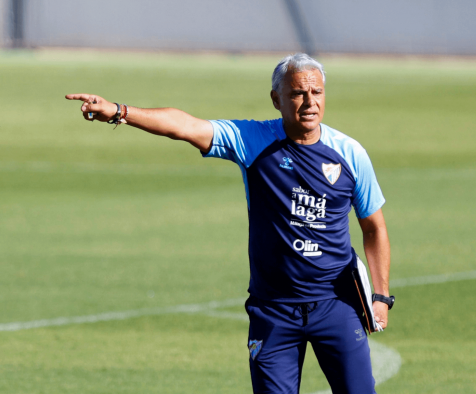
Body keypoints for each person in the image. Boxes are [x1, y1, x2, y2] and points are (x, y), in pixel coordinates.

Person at [66, 53, 392, 394]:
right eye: (297, 93)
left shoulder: (350, 153)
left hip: (336, 305)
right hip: (274, 310)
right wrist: (120, 112)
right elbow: (185, 126)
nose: (309, 102)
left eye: (317, 93)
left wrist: (381, 295)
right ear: (276, 99)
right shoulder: (253, 140)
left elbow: (374, 228)